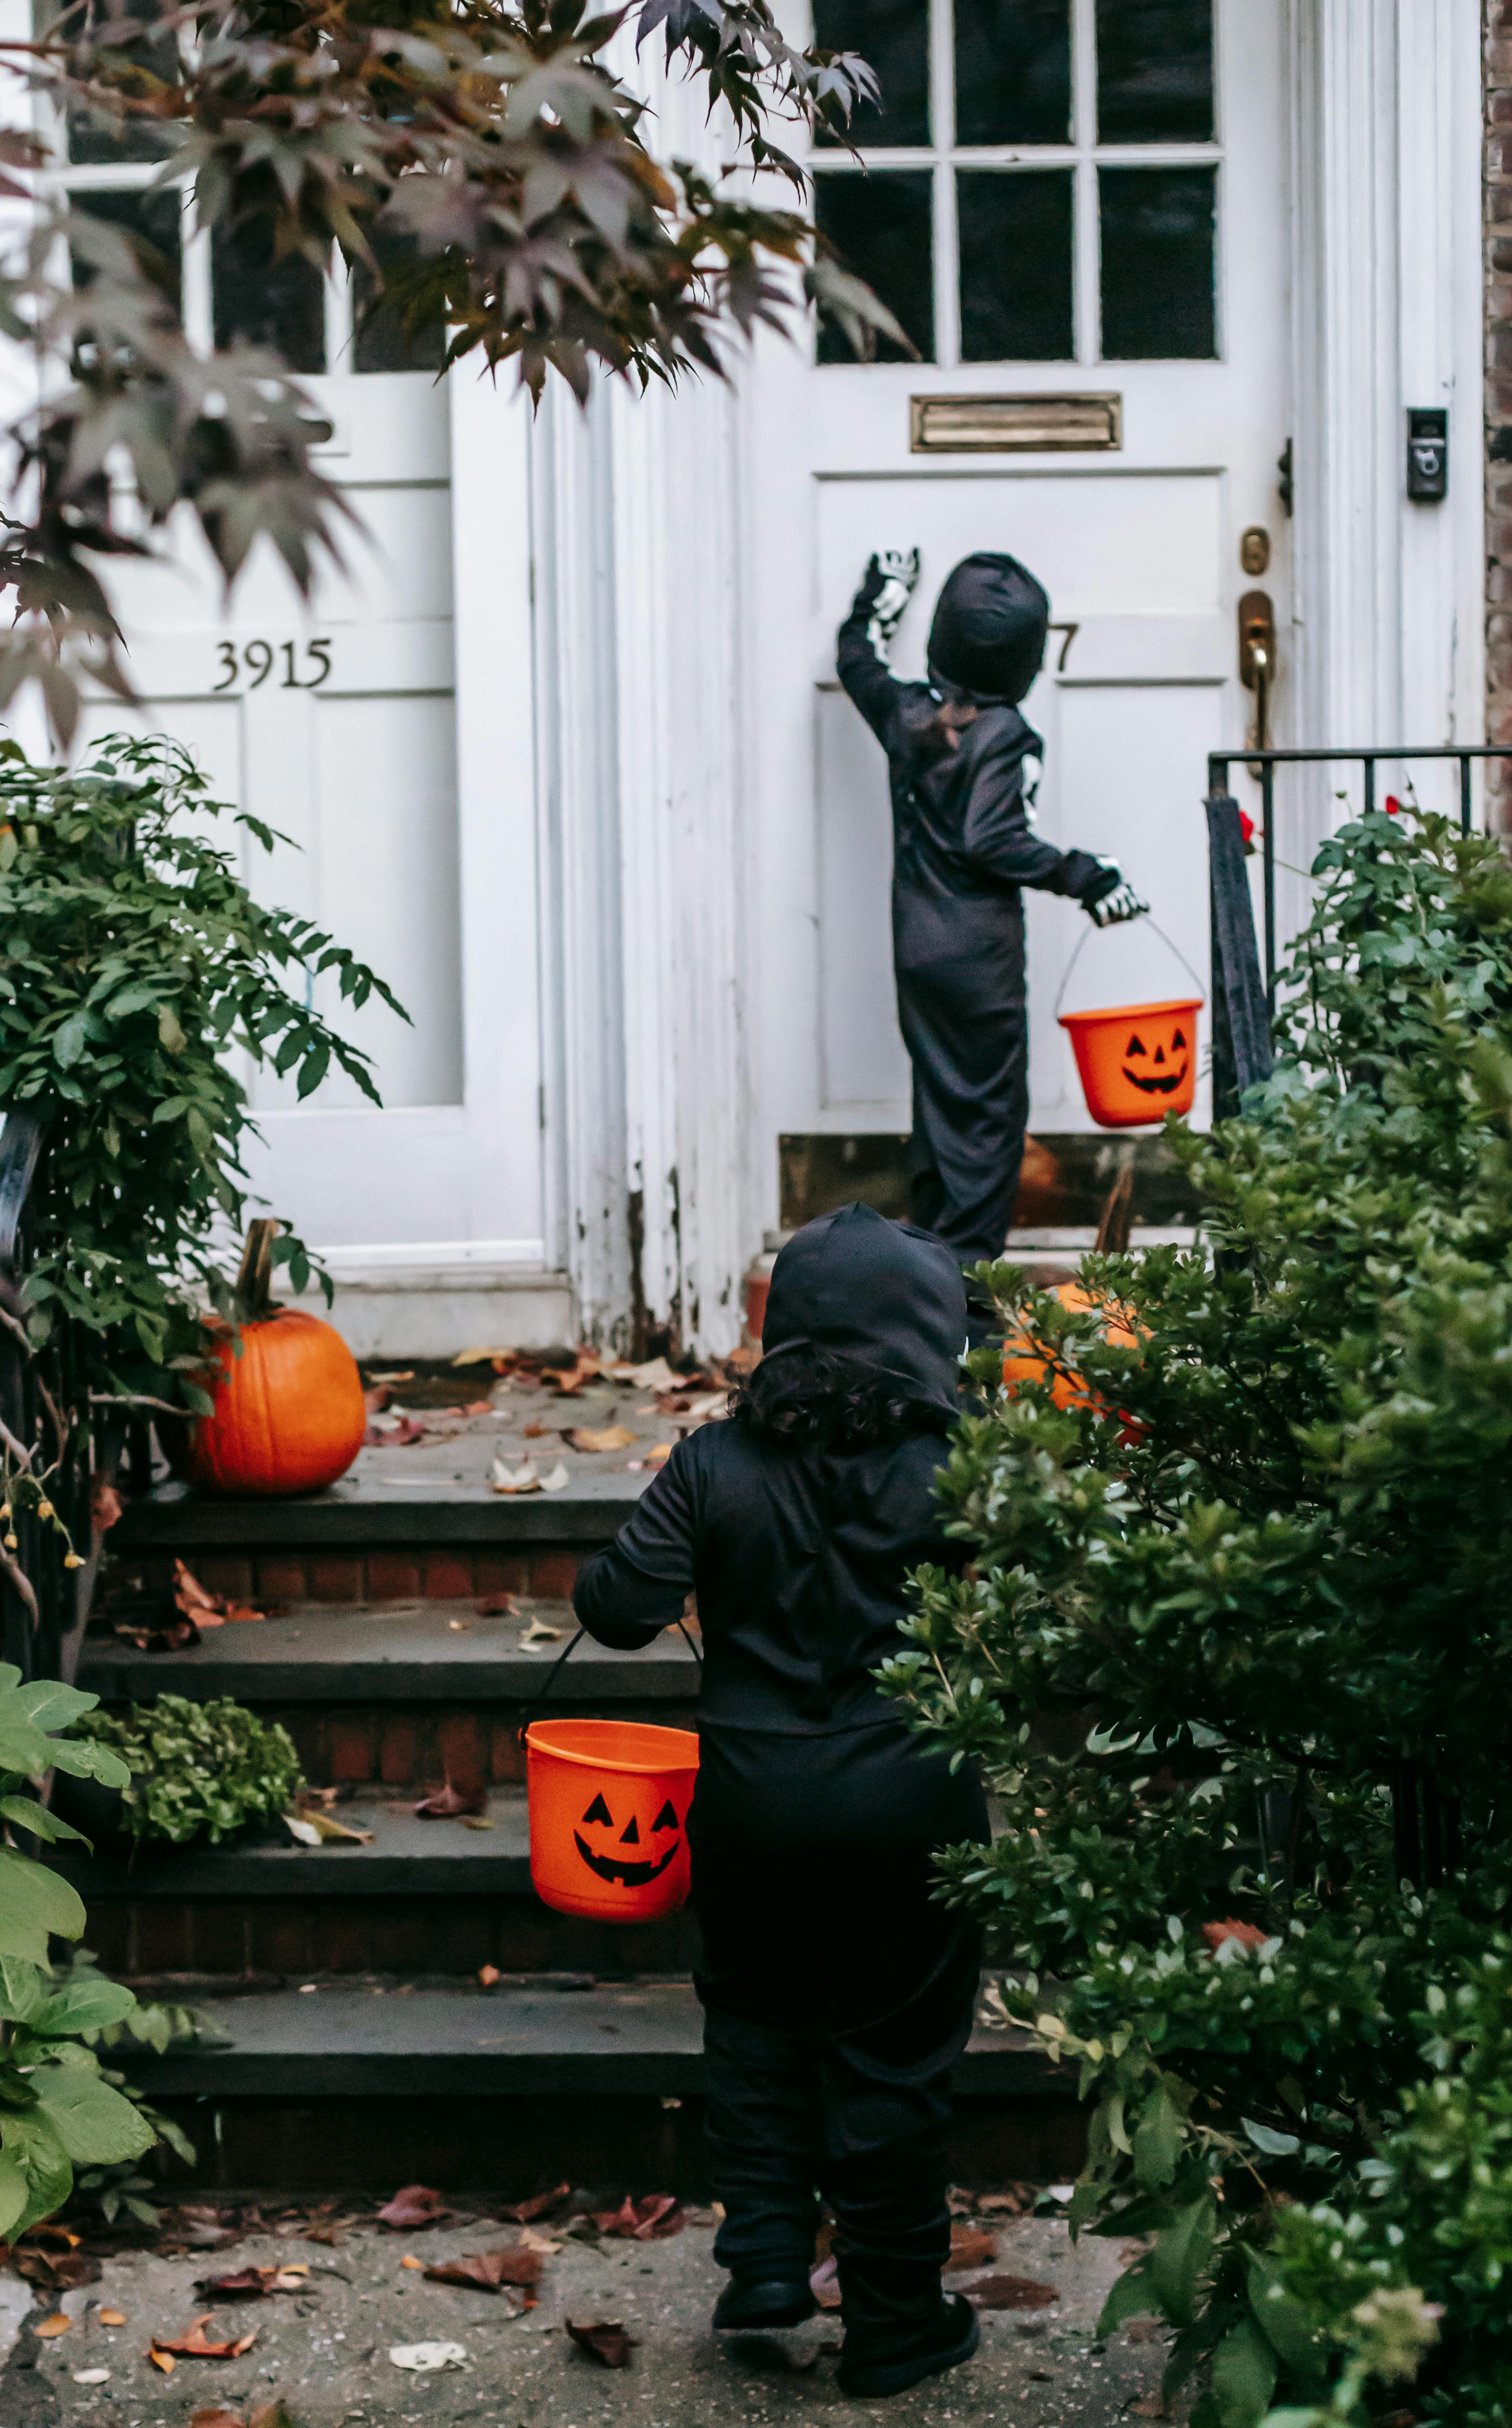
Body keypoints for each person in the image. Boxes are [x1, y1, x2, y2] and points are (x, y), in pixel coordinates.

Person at [573, 1203, 989, 2401]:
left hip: (751, 1797)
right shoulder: (957, 1465)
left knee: (754, 2017)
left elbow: (617, 1608)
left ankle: (762, 2258)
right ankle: (896, 2318)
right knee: (894, 2053)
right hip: (908, 1796)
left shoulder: (715, 1460)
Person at [838, 547, 1148, 1288]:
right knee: (986, 1125)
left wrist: (878, 597)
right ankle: (967, 1299)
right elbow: (992, 838)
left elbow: (857, 660)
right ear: (1024, 664)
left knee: (941, 1107)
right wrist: (1088, 877)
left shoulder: (906, 712)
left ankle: (926, 1278)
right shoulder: (1005, 734)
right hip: (977, 962)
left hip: (916, 950)